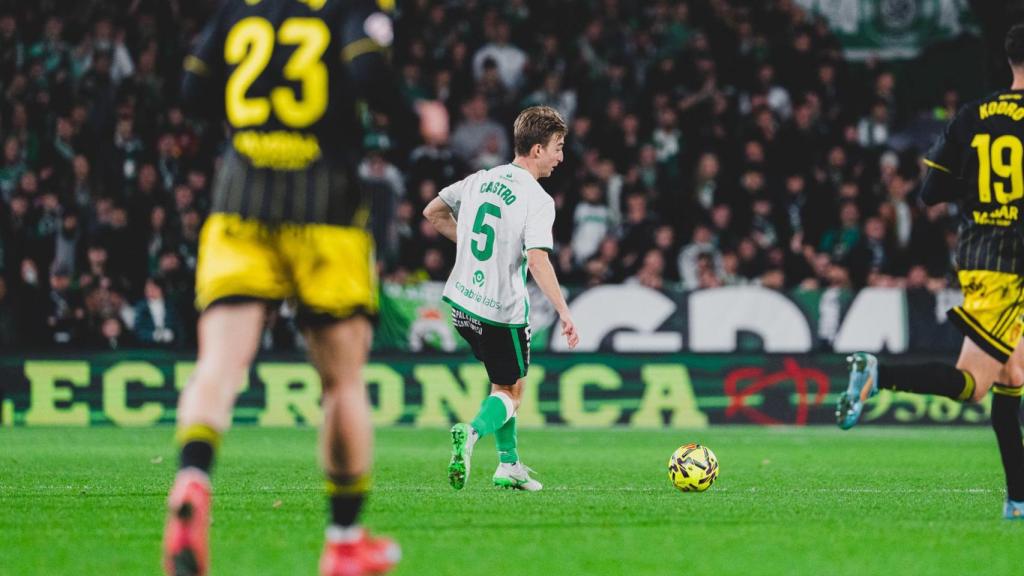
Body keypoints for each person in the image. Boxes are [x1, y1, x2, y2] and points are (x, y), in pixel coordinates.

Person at [163, 1, 447, 575]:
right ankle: (344, 541)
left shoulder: (237, 9)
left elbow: (191, 93)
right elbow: (369, 72)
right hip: (327, 215)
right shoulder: (347, 7)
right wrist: (415, 117)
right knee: (341, 384)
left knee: (217, 364)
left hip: (239, 205)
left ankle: (192, 480)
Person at [837, 23, 1024, 520]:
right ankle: (879, 374)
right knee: (974, 384)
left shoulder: (972, 115)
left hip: (983, 257)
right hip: (1013, 265)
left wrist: (981, 191)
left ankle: (1019, 501)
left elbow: (930, 194)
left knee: (1014, 374)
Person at [423, 105, 580, 492]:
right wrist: (563, 312)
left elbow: (433, 211)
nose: (561, 157)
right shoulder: (538, 199)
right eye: (558, 147)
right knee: (512, 390)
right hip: (500, 311)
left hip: (461, 303)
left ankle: (508, 465)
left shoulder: (481, 179)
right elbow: (538, 260)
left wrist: (471, 248)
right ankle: (472, 433)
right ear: (538, 149)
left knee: (504, 382)